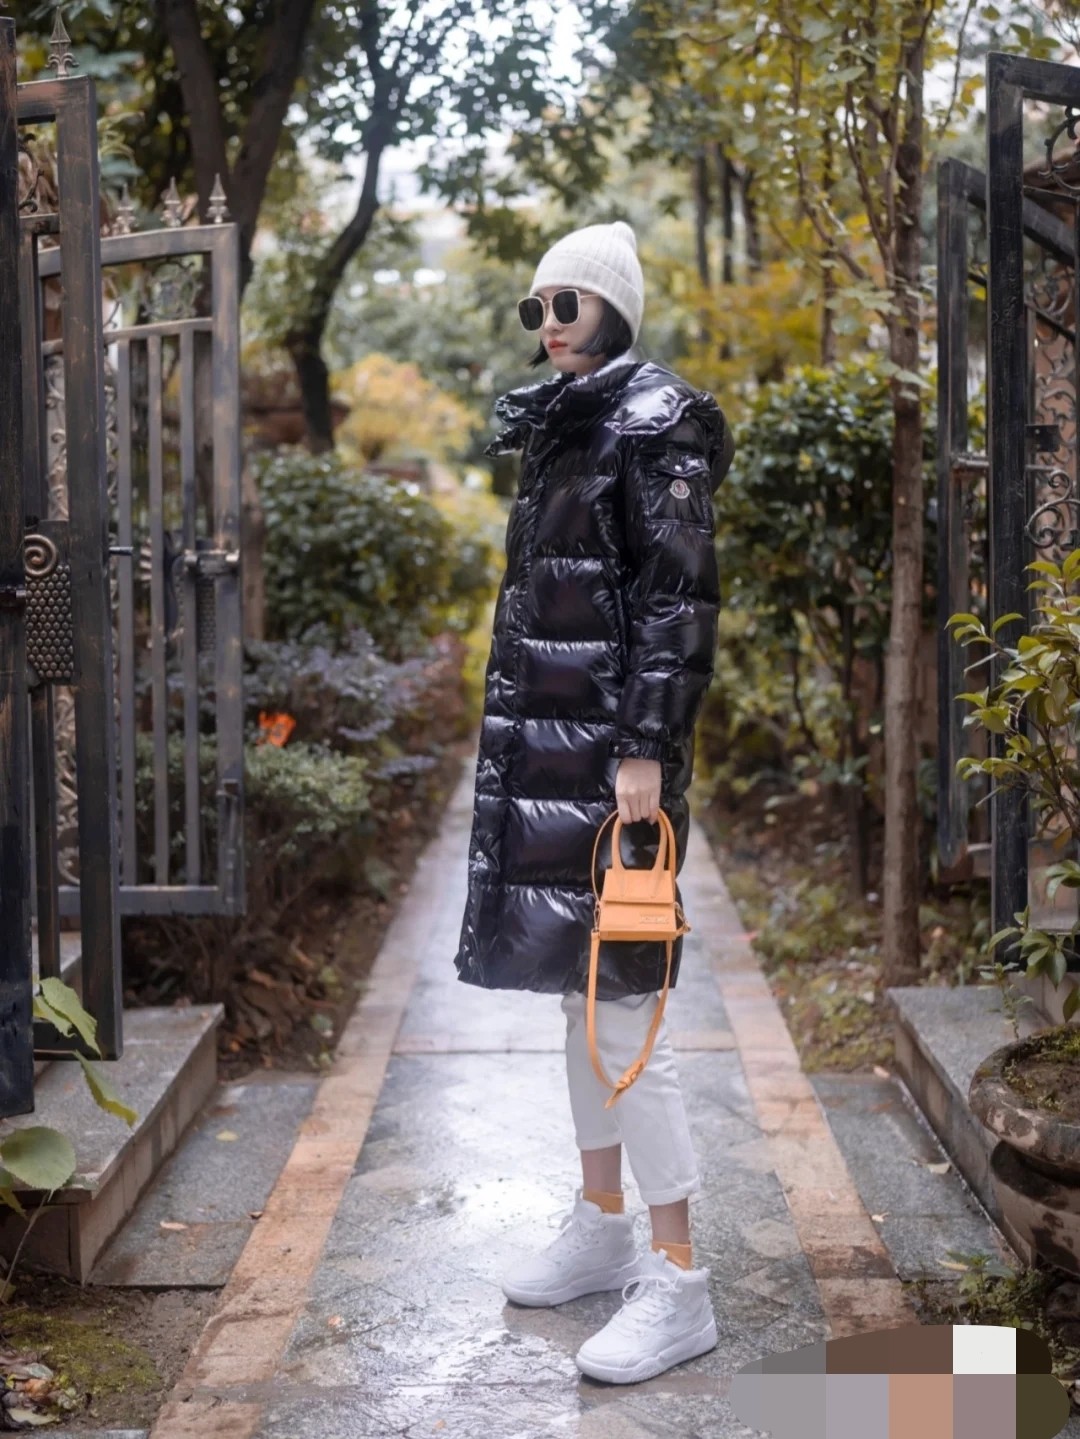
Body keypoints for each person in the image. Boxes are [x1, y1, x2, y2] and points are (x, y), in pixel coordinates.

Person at [452, 219, 736, 1385]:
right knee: (581, 1004)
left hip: (616, 766)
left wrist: (647, 749)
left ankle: (680, 1280)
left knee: (625, 1013)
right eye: (537, 308)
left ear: (613, 305)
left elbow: (679, 599)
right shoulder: (567, 422)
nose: (549, 323)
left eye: (566, 302)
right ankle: (602, 1221)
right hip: (554, 760)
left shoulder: (655, 422)